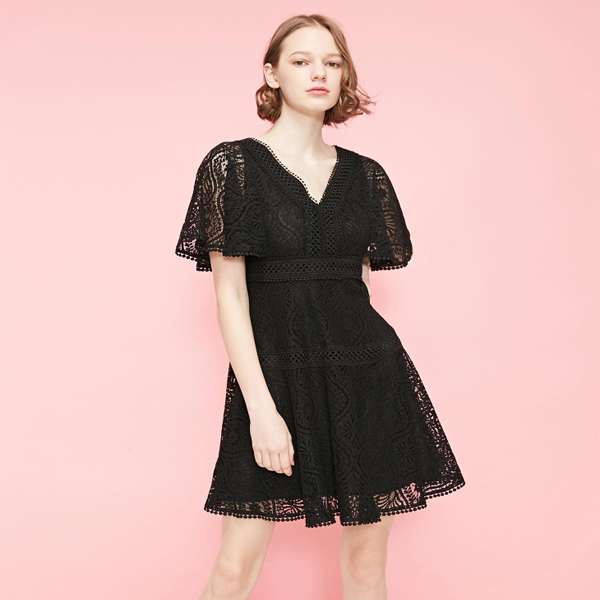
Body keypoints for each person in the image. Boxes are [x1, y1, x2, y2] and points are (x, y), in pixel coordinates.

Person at [175, 14, 466, 600]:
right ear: (272, 74)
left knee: (366, 564)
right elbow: (231, 295)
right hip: (275, 380)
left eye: (332, 62)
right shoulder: (232, 166)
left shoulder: (366, 176)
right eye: (302, 61)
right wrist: (261, 409)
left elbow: (356, 285)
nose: (319, 73)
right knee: (235, 566)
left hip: (367, 377)